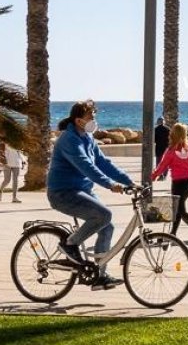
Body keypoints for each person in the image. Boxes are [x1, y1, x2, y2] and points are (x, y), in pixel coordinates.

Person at [46, 100, 134, 286]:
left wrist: (130, 182)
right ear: (78, 121)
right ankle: (69, 245)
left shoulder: (87, 138)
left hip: (81, 190)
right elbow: (86, 167)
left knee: (107, 226)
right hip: (63, 193)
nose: (94, 120)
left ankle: (99, 275)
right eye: (91, 117)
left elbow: (103, 163)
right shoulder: (69, 140)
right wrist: (110, 185)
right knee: (105, 215)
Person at [151, 122, 188, 242]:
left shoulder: (171, 151)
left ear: (173, 135)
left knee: (179, 209)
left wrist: (154, 175)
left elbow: (162, 166)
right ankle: (172, 234)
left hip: (180, 183)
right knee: (177, 208)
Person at [0, 138, 25, 203]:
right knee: (7, 180)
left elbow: (20, 152)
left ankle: (14, 197)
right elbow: (0, 154)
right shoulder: (4, 142)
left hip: (16, 163)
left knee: (15, 180)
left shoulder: (18, 143)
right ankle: (0, 190)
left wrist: (23, 160)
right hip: (7, 164)